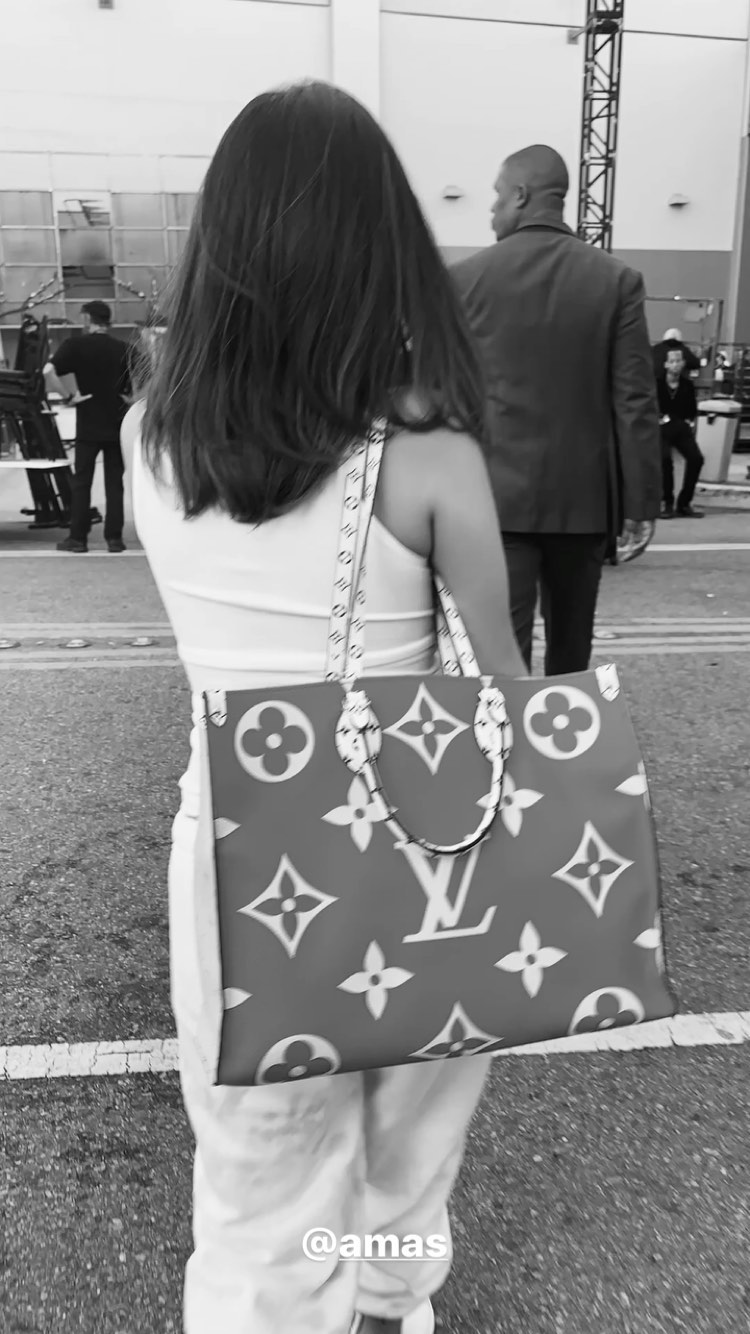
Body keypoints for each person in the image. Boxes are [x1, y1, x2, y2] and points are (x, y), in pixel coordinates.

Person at [125, 81, 526, 1334]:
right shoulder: (433, 459)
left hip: (238, 849)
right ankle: (388, 1300)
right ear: (384, 254)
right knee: (409, 1137)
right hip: (431, 848)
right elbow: (505, 695)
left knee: (258, 1161)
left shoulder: (150, 441)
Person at [451, 144, 662, 676]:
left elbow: (447, 393)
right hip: (583, 503)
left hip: (497, 500)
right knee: (571, 649)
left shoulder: (464, 279)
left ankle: (507, 730)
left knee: (503, 651)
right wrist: (641, 503)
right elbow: (635, 399)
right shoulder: (617, 280)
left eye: (498, 196)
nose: (492, 209)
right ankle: (569, 726)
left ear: (521, 195)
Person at [44, 299, 131, 553]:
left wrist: (68, 397)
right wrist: (133, 398)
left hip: (88, 426)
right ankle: (114, 539)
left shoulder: (75, 346)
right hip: (116, 424)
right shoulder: (123, 348)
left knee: (82, 482)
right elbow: (151, 373)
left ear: (87, 319)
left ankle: (78, 539)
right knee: (114, 484)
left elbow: (47, 372)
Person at [657, 341, 704, 519]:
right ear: (666, 364)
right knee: (664, 459)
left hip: (680, 427)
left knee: (696, 459)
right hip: (661, 427)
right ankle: (667, 502)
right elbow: (651, 408)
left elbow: (691, 411)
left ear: (683, 363)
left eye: (678, 361)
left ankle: (684, 503)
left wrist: (688, 423)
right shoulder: (657, 384)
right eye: (672, 361)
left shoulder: (687, 385)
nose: (675, 365)